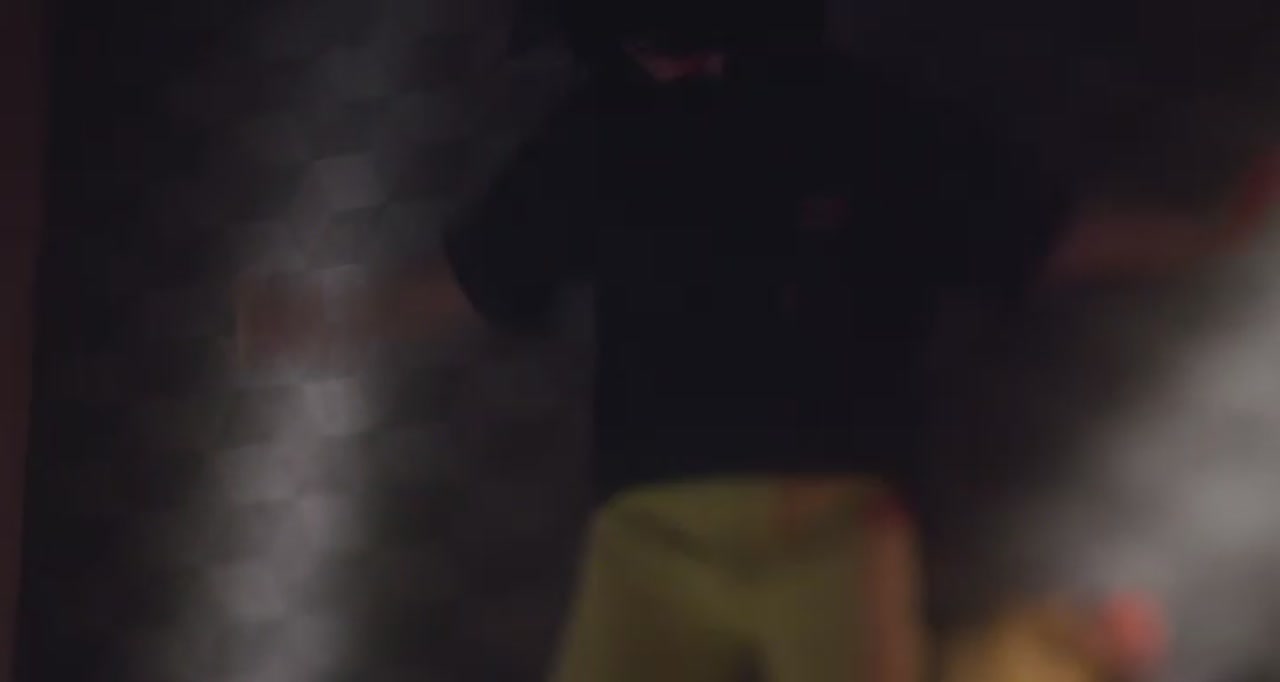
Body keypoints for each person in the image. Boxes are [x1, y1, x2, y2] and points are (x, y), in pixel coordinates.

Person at [238, 5, 1271, 680]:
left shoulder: (859, 116)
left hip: (831, 522)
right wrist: (329, 319)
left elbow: (1031, 237)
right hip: (653, 534)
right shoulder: (601, 132)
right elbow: (479, 275)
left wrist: (1200, 235)